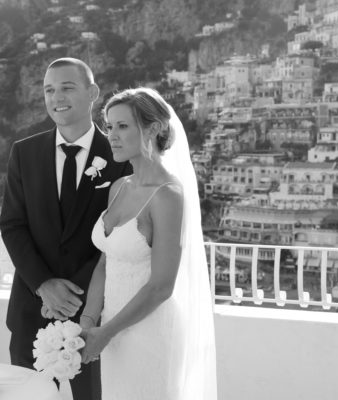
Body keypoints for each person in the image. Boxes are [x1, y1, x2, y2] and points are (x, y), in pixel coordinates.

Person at [0, 57, 132, 400]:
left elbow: (119, 238)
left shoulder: (120, 155)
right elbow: (12, 224)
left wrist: (73, 297)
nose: (56, 96)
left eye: (67, 87)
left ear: (93, 93)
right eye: (49, 89)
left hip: (94, 316)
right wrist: (43, 285)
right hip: (31, 311)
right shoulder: (23, 153)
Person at [80, 87, 217, 399]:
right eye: (109, 126)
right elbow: (105, 261)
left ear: (153, 128)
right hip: (111, 332)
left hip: (150, 332)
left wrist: (105, 332)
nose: (112, 136)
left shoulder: (168, 195)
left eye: (123, 126)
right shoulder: (118, 187)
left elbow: (161, 287)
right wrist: (88, 323)